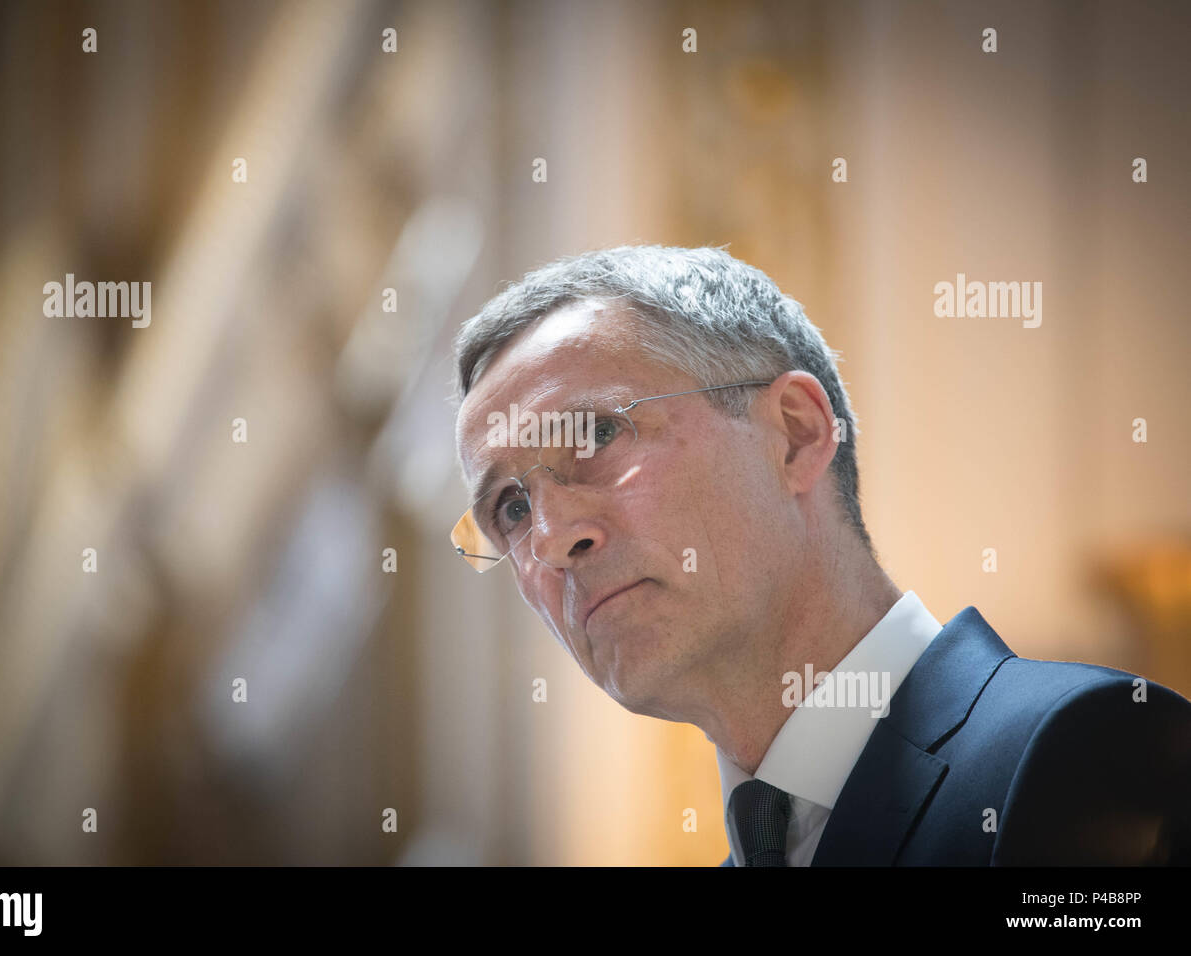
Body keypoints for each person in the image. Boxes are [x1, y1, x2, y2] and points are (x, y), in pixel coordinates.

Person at [449, 244, 1191, 866]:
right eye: (509, 509)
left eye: (596, 437)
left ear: (796, 434)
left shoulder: (1079, 748)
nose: (547, 539)